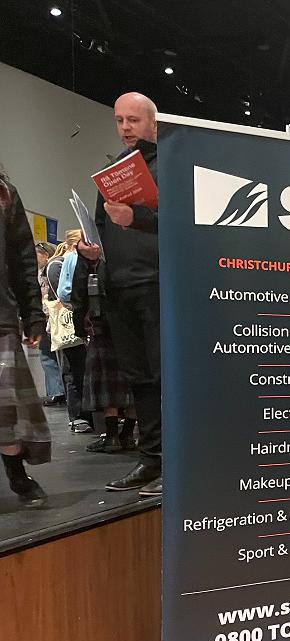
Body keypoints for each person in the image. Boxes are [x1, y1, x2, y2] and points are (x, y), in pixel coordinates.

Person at [74, 92, 162, 496]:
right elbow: (101, 229)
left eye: (133, 120)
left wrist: (137, 216)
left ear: (153, 123)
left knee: (164, 378)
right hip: (119, 288)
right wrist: (92, 252)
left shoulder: (172, 166)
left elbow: (188, 222)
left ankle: (175, 464)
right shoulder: (112, 174)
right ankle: (152, 459)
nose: (125, 127)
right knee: (139, 380)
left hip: (158, 285)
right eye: (119, 120)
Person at [0, 171, 51, 506]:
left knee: (5, 408)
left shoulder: (4, 192)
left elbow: (21, 258)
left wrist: (33, 313)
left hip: (0, 314)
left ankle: (17, 475)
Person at [45, 232, 91, 433]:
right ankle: (78, 416)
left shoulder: (81, 264)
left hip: (83, 321)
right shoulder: (57, 265)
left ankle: (88, 414)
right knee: (72, 370)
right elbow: (64, 295)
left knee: (84, 370)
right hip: (69, 323)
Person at [35, 241, 65, 406]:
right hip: (46, 318)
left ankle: (58, 392)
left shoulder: (50, 271)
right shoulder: (41, 273)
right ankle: (56, 391)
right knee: (47, 355)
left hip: (51, 317)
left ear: (46, 255)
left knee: (51, 355)